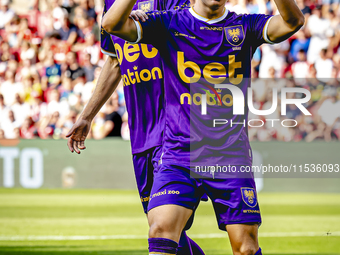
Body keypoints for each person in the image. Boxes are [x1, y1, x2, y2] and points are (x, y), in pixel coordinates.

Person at [102, 0, 304, 254]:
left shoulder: (244, 26)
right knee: (160, 230)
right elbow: (111, 24)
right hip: (179, 155)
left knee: (246, 248)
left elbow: (292, 21)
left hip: (230, 156)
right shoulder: (168, 23)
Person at [67, 0, 205, 254]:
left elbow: (194, 28)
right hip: (142, 133)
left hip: (176, 127)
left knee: (162, 229)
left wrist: (149, 23)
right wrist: (87, 116)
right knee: (167, 232)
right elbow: (115, 61)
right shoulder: (112, 5)